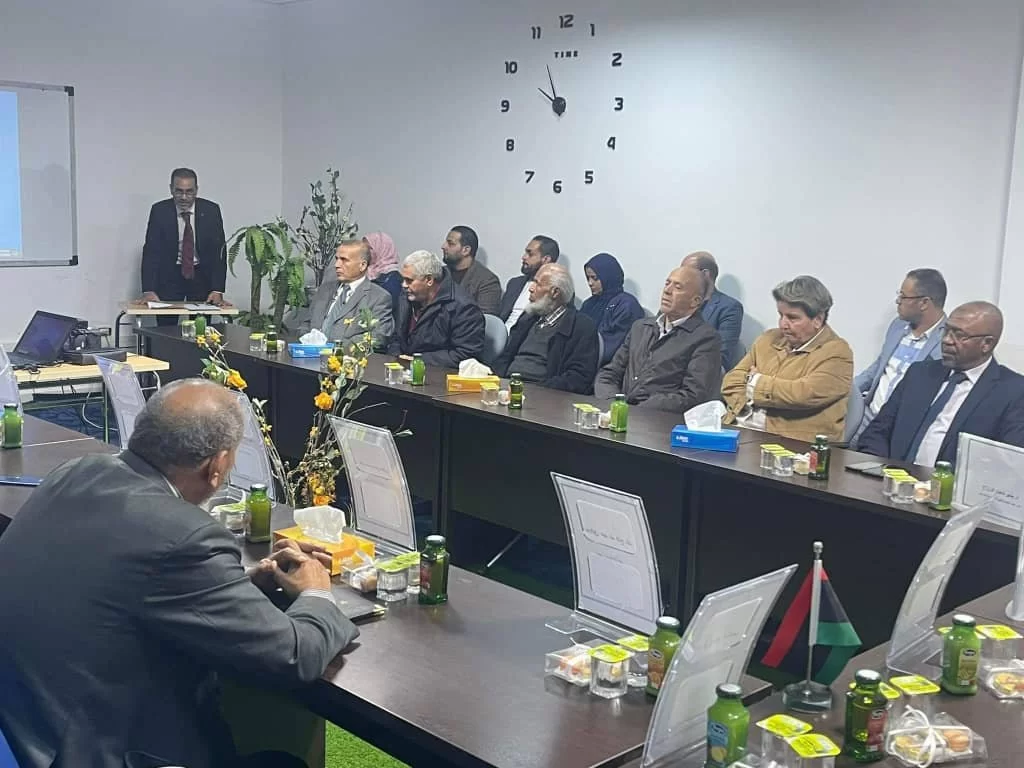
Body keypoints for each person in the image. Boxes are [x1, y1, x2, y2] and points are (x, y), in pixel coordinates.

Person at [0, 379, 358, 768]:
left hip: (25, 729)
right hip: (94, 751)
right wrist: (317, 593)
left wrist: (236, 586)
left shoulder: (75, 472)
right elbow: (294, 658)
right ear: (217, 466)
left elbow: (120, 582)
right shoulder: (186, 536)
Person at [858, 302, 1024, 467]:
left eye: (959, 335)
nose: (946, 340)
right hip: (891, 475)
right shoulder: (920, 373)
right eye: (946, 330)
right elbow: (877, 431)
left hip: (950, 482)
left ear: (987, 344)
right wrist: (879, 471)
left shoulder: (1013, 392)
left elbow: (1007, 463)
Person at [722, 276, 853, 442]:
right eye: (781, 315)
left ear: (818, 320)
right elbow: (731, 381)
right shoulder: (768, 339)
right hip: (738, 428)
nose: (783, 324)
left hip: (791, 444)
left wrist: (754, 381)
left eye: (792, 318)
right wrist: (769, 393)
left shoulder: (837, 353)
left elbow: (801, 395)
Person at [595, 265, 722, 412]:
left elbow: (693, 396)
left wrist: (636, 412)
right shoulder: (641, 328)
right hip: (619, 412)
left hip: (659, 419)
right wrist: (614, 404)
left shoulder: (705, 339)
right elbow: (609, 373)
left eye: (678, 287)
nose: (667, 291)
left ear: (695, 301)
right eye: (667, 283)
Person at [850, 269, 948, 448]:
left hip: (900, 425)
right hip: (868, 415)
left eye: (903, 296)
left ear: (924, 303)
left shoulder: (947, 340)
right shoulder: (898, 326)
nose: (898, 301)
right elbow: (879, 367)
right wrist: (847, 391)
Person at [493, 264, 598, 393]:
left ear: (555, 292)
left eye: (538, 284)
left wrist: (539, 390)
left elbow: (579, 377)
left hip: (544, 393)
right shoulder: (528, 318)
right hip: (509, 385)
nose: (531, 288)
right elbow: (505, 357)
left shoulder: (581, 326)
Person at [141, 168, 228, 325]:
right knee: (166, 329)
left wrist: (217, 289)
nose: (184, 197)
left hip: (201, 275)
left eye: (189, 192)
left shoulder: (211, 211)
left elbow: (219, 253)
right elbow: (151, 251)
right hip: (170, 275)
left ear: (196, 190)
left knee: (201, 327)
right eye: (179, 191)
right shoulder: (160, 211)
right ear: (171, 189)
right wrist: (149, 289)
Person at [389, 250, 485, 368]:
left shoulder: (464, 308)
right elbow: (397, 338)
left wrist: (418, 360)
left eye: (409, 280)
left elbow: (465, 354)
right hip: (403, 370)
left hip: (438, 372)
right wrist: (396, 359)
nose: (403, 285)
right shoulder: (407, 296)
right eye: (403, 279)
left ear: (429, 280)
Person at [304, 239, 394, 348]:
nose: (337, 265)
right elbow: (306, 323)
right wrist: (307, 340)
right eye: (337, 259)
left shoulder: (379, 297)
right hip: (309, 354)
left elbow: (378, 336)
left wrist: (335, 348)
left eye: (344, 260)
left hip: (346, 356)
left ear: (362, 265)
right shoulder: (324, 289)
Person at [681, 251, 744, 370]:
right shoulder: (677, 300)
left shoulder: (729, 308)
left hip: (698, 371)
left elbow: (721, 357)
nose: (681, 277)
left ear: (705, 274)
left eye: (686, 272)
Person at [580, 253, 645, 366]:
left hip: (607, 367)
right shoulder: (589, 304)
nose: (590, 283)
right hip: (581, 361)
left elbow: (613, 348)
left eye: (595, 278)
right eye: (588, 278)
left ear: (608, 277)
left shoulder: (626, 305)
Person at [498, 235, 560, 329]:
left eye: (530, 254)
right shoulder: (514, 283)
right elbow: (499, 316)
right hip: (498, 333)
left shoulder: (555, 291)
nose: (524, 257)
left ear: (546, 260)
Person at [441, 226, 502, 315]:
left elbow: (485, 317)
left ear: (466, 250)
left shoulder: (487, 281)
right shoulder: (441, 273)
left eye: (450, 243)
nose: (443, 246)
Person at [364, 231, 402, 314]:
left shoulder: (392, 280)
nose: (364, 253)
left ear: (381, 250)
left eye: (368, 249)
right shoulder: (369, 273)